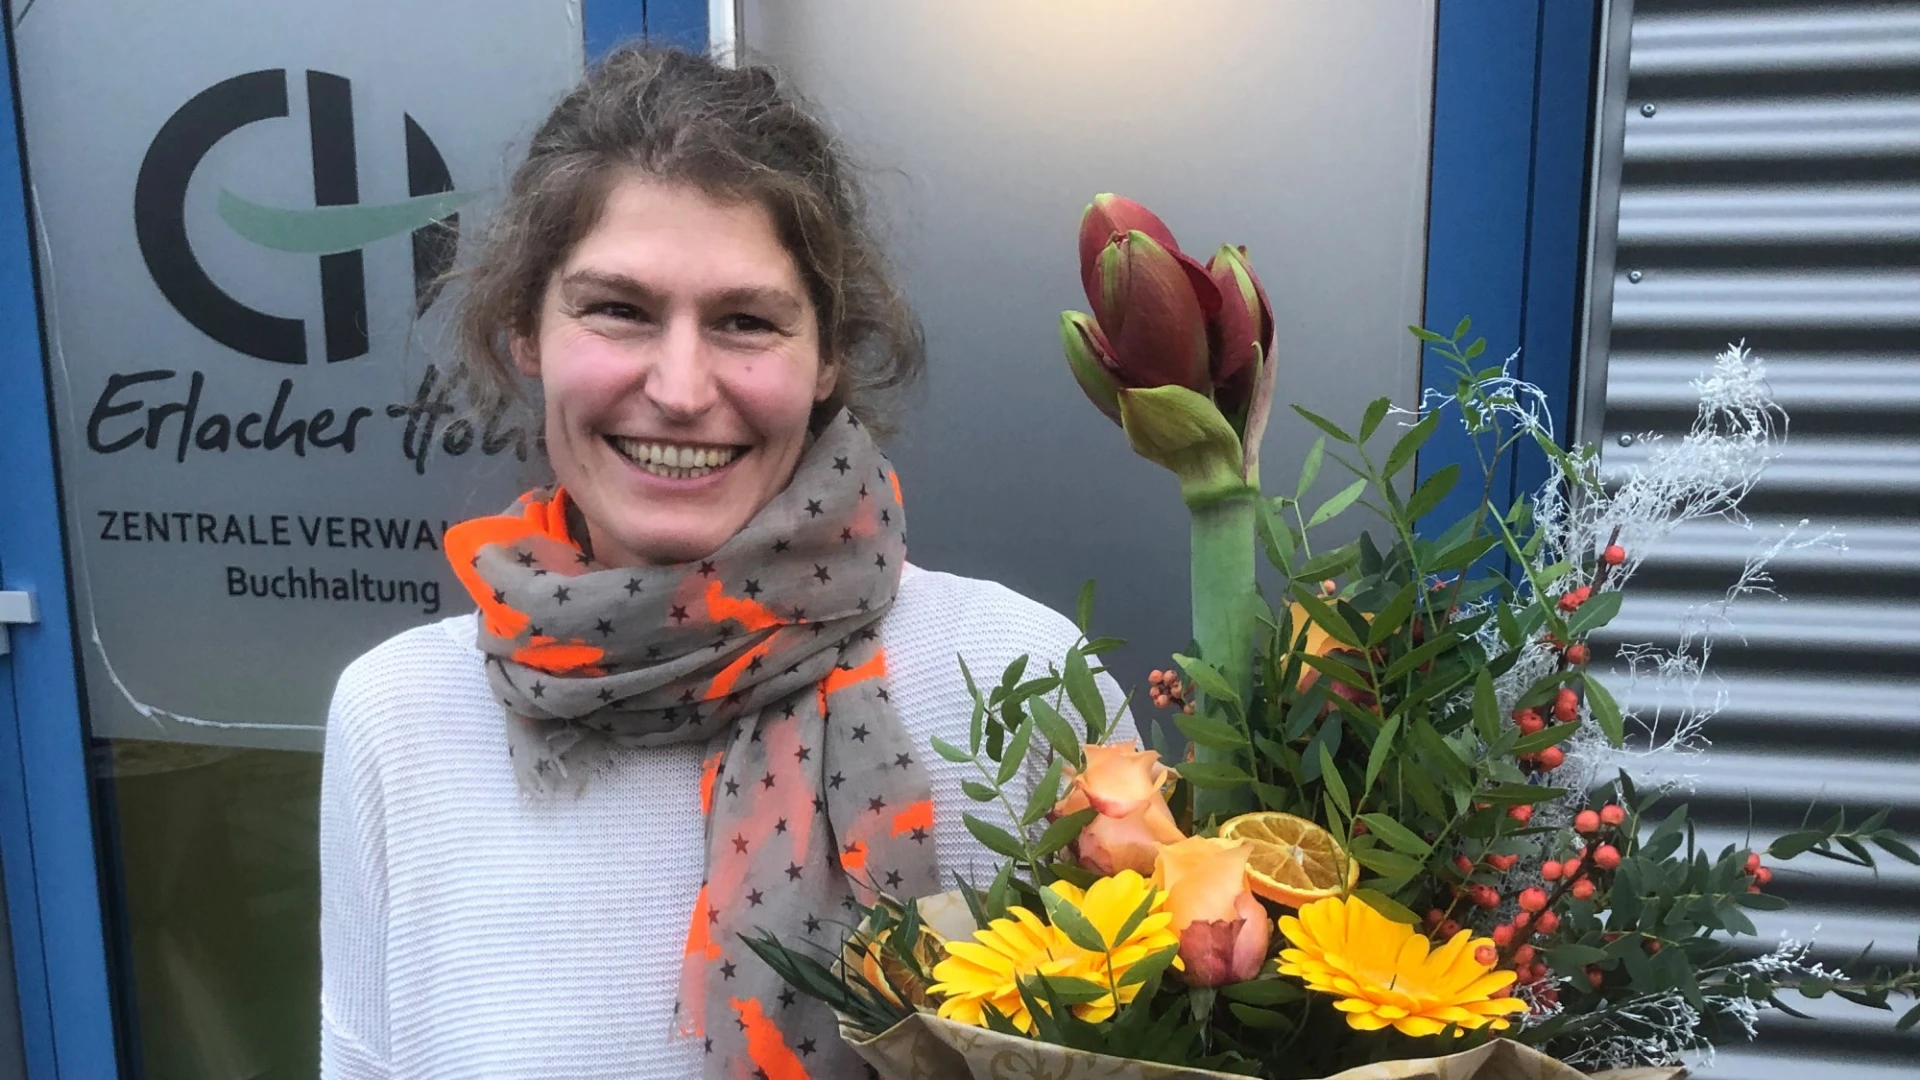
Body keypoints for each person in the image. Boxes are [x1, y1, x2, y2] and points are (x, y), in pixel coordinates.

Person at [320, 44, 1129, 1080]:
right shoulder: (398, 718)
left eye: (746, 321)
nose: (682, 385)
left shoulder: (1026, 681)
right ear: (526, 330)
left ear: (827, 354)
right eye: (618, 308)